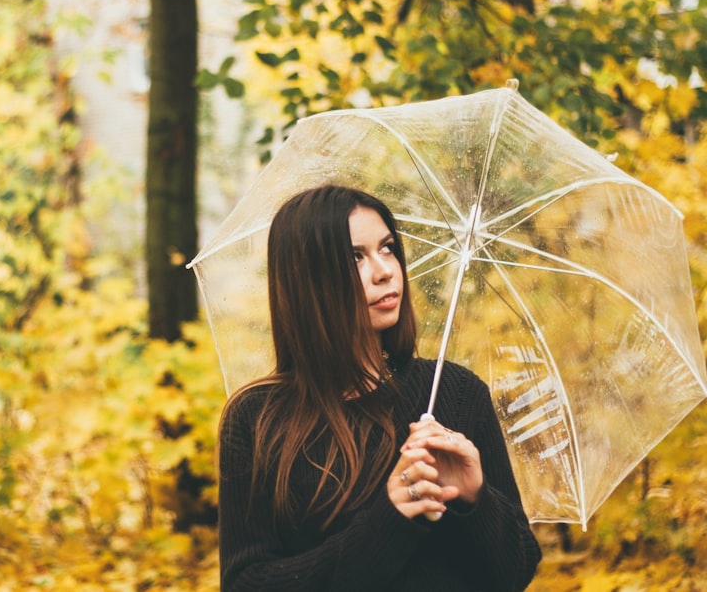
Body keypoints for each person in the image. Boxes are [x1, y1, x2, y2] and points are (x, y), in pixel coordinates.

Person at [217, 185, 541, 591]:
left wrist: (475, 498)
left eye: (387, 248)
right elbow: (245, 582)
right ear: (308, 279)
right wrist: (389, 522)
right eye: (355, 256)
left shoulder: (456, 393)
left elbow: (516, 572)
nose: (384, 270)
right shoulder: (257, 418)